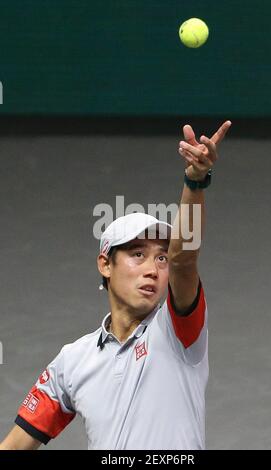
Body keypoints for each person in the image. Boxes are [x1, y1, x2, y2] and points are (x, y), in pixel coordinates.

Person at [0, 121, 231, 450]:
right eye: (138, 254)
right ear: (105, 264)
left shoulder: (179, 332)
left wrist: (194, 182)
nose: (153, 269)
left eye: (161, 259)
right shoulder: (71, 362)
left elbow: (184, 259)